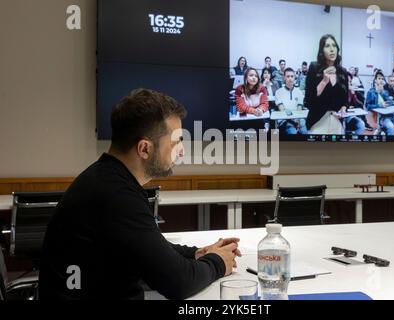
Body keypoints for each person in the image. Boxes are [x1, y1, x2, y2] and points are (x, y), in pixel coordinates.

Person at [39, 89, 241, 300]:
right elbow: (179, 282)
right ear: (144, 149)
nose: (181, 151)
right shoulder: (115, 195)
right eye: (176, 141)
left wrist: (197, 253)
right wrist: (218, 262)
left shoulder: (106, 178)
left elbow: (147, 246)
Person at [304, 34, 348, 134]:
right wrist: (324, 82)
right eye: (327, 46)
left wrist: (344, 107)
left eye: (334, 45)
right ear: (322, 50)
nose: (332, 49)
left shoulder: (342, 71)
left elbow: (345, 99)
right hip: (318, 120)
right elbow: (308, 100)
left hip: (337, 121)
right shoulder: (314, 67)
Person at [275, 68, 308, 135]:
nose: (290, 78)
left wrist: (297, 121)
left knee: (304, 132)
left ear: (294, 78)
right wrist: (293, 122)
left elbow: (299, 108)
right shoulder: (278, 92)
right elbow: (282, 110)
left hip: (298, 118)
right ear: (284, 78)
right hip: (285, 119)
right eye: (288, 76)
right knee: (292, 132)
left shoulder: (299, 92)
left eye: (292, 76)